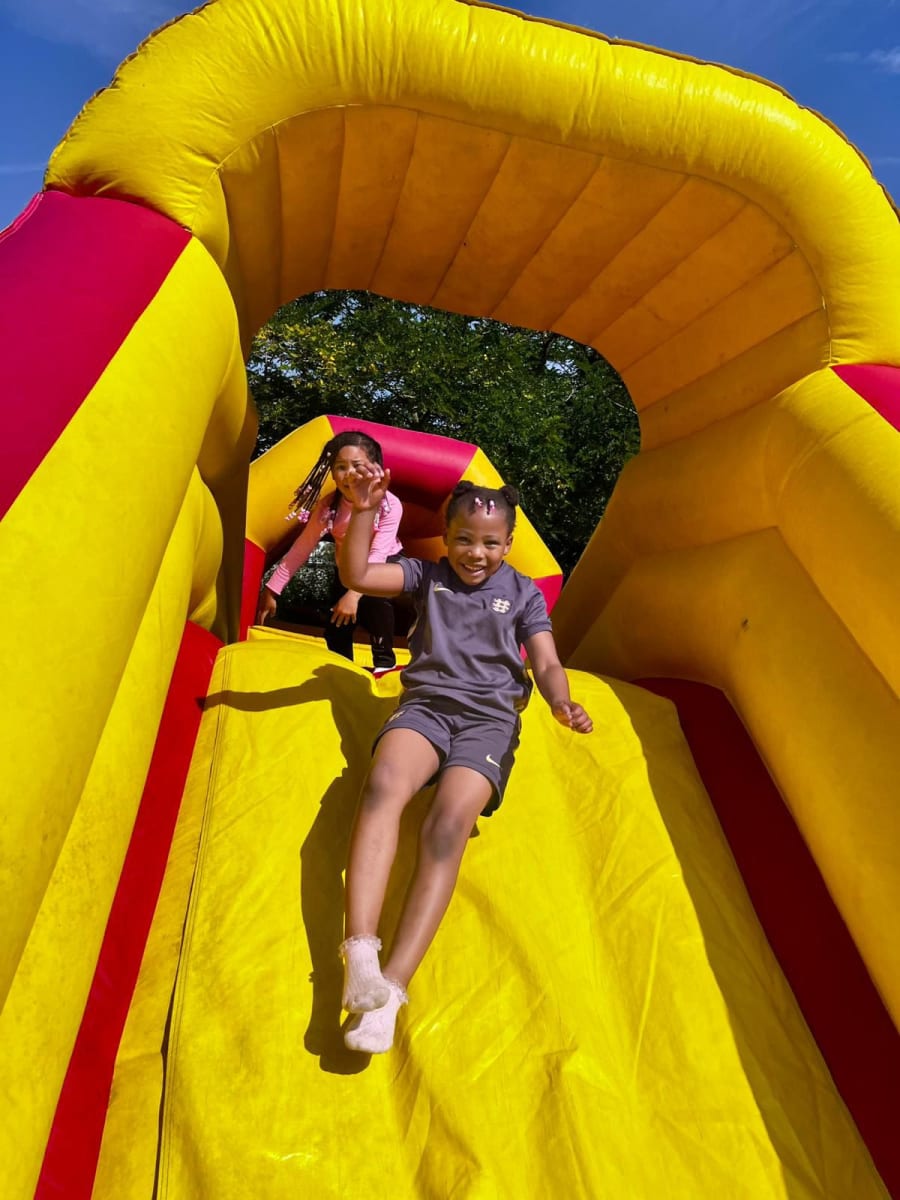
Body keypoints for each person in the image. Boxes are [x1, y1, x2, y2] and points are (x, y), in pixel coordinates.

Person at [336, 465, 593, 1054]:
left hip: (489, 723)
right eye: (464, 540)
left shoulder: (524, 592)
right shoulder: (426, 577)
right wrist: (366, 511)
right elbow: (356, 574)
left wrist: (561, 701)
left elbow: (546, 660)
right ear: (446, 538)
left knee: (447, 826)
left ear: (509, 542)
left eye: (491, 543)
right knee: (384, 786)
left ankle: (391, 994)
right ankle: (362, 955)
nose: (476, 553)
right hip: (427, 707)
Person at [256, 431, 404, 674]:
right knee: (337, 622)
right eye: (341, 467)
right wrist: (271, 590)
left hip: (385, 563)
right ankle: (341, 664)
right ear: (332, 473)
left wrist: (354, 595)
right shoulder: (328, 508)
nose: (349, 474)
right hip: (347, 567)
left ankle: (384, 660)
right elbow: (302, 547)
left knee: (375, 600)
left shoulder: (389, 504)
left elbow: (378, 554)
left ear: (374, 469)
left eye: (357, 466)